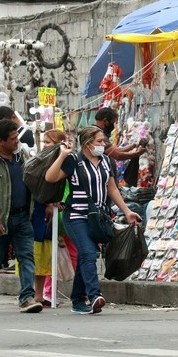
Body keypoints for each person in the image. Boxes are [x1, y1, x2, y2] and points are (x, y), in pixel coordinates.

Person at [45, 126, 141, 315]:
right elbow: (50, 177)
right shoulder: (73, 160)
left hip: (97, 218)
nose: (103, 144)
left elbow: (112, 188)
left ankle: (78, 300)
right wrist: (62, 155)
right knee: (89, 253)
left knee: (85, 256)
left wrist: (127, 211)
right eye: (99, 141)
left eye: (103, 141)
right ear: (88, 144)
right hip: (75, 216)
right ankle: (94, 294)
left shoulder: (105, 160)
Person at [0, 119, 42, 313]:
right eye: (13, 139)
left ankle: (27, 298)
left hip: (22, 217)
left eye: (17, 137)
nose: (17, 141)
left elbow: (34, 177)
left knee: (27, 257)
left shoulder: (22, 156)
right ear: (0, 141)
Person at [32, 129, 67, 307]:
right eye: (44, 141)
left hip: (53, 212)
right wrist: (48, 203)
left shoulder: (64, 161)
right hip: (38, 211)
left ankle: (41, 294)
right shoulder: (40, 161)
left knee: (47, 253)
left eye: (48, 142)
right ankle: (34, 294)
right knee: (37, 253)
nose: (45, 145)